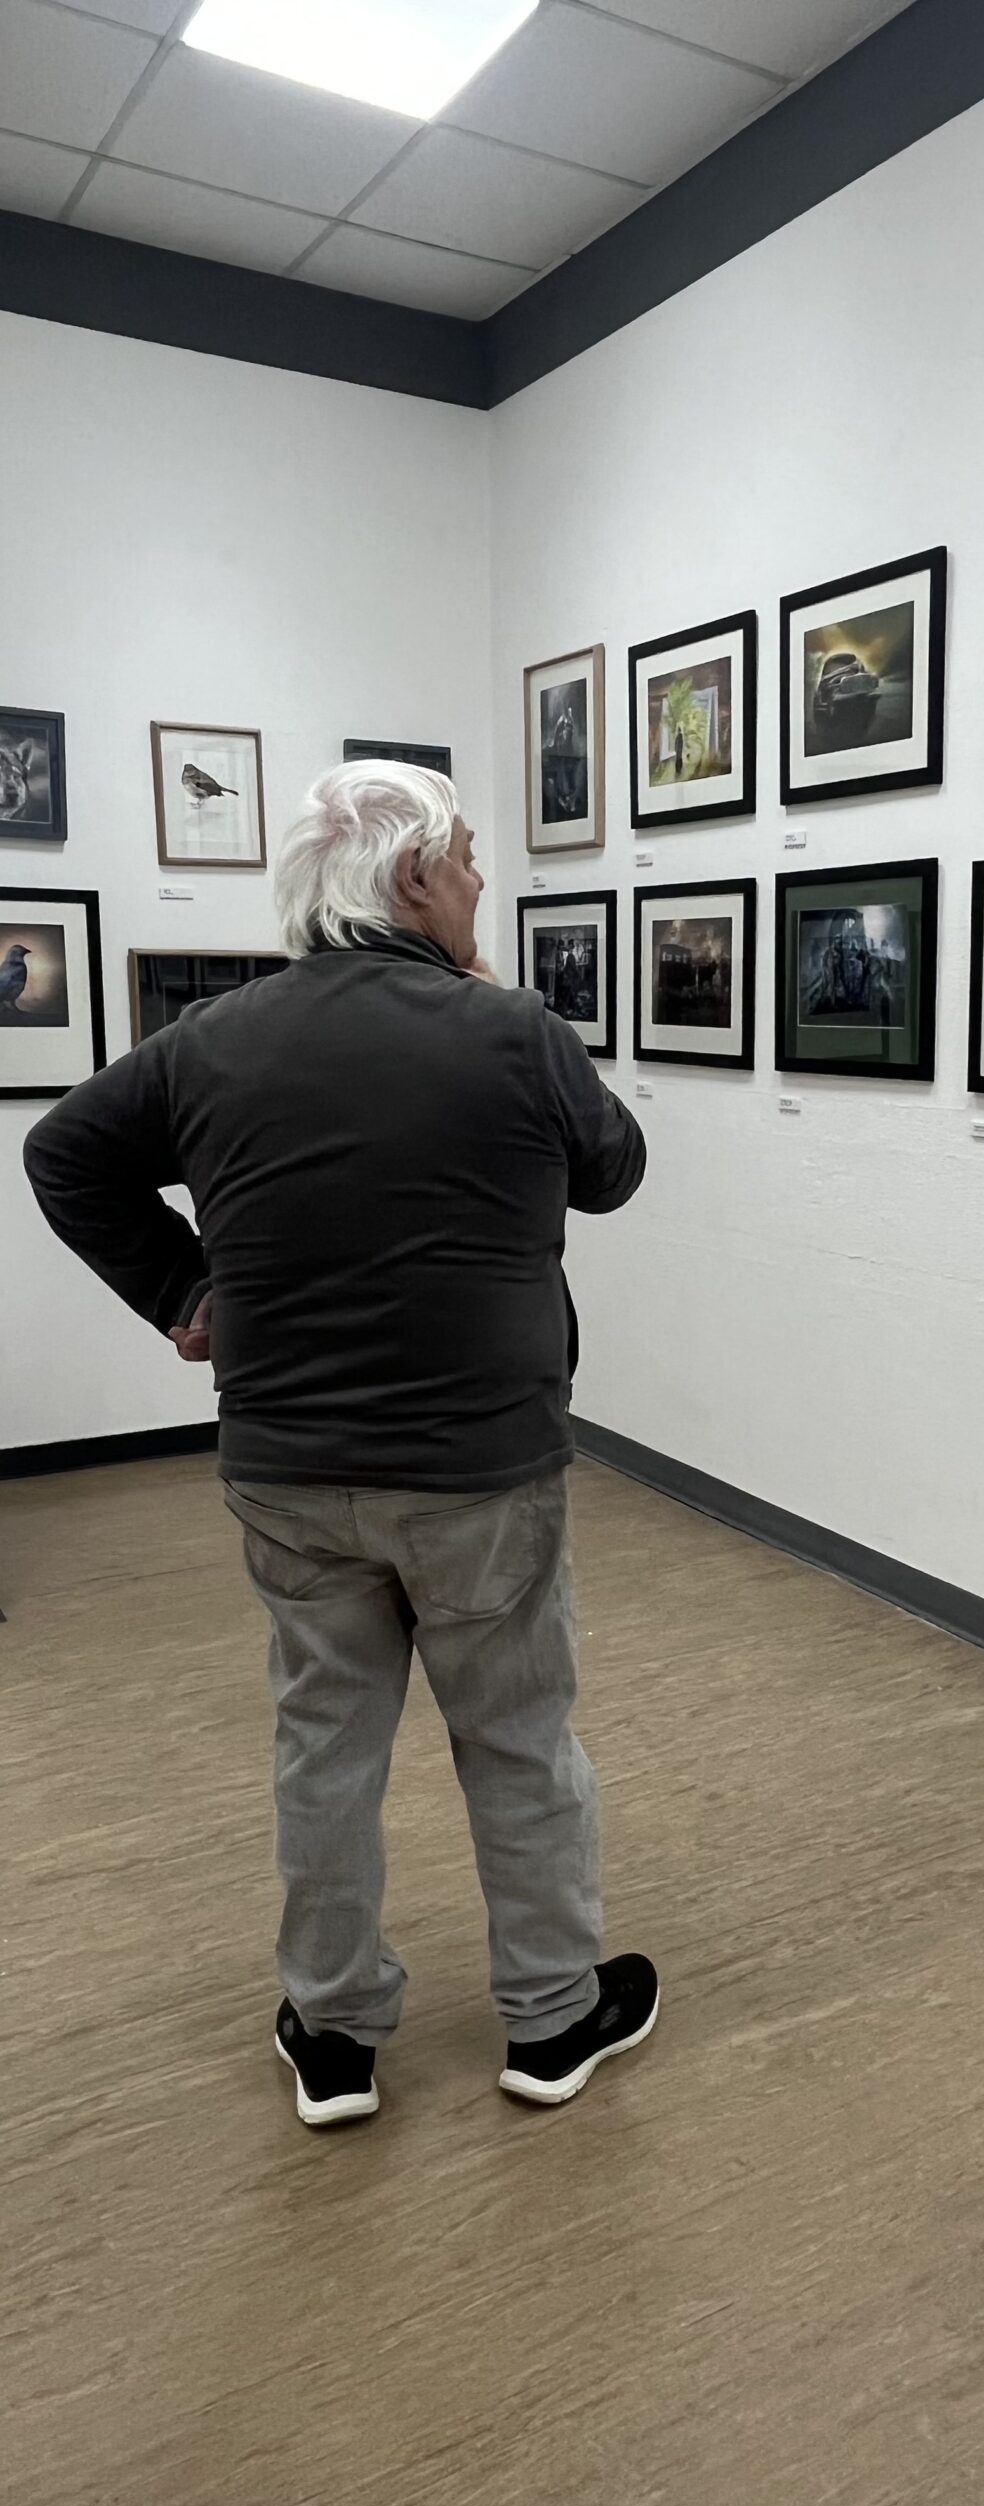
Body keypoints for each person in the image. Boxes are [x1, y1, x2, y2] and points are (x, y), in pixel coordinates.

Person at [24, 762, 656, 2130]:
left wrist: (180, 1290)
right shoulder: (514, 1030)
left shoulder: (211, 1040)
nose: (481, 878)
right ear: (416, 875)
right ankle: (552, 2017)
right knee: (519, 1742)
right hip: (483, 1472)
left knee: (324, 1746)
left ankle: (333, 2033)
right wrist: (493, 996)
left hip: (288, 1471)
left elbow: (63, 1153)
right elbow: (613, 1171)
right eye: (468, 856)